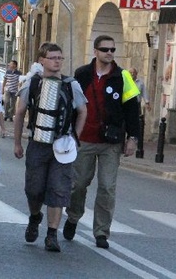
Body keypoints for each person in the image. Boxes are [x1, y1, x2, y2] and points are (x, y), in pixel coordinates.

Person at [64, 35, 140, 249]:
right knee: (78, 185)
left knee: (107, 187)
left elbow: (133, 110)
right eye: (105, 49)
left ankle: (101, 232)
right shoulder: (82, 74)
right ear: (95, 51)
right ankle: (72, 217)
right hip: (85, 139)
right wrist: (68, 133)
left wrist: (133, 138)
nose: (109, 53)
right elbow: (72, 105)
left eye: (112, 50)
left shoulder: (123, 76)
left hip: (111, 141)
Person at [14, 43, 87, 252]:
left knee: (58, 188)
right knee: (34, 188)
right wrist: (18, 142)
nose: (57, 61)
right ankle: (35, 216)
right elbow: (20, 113)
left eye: (60, 57)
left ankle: (51, 234)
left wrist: (75, 138)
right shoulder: (33, 83)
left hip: (63, 144)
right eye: (53, 57)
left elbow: (83, 111)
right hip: (37, 143)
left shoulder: (71, 85)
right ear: (42, 60)